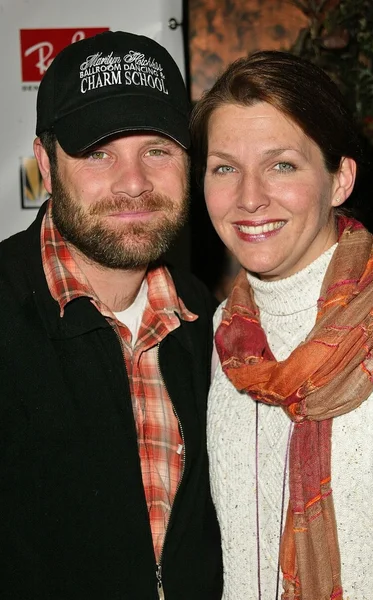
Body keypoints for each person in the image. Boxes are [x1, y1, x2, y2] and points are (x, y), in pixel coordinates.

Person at [0, 31, 223, 599]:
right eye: (98, 152)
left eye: (157, 150)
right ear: (45, 167)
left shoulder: (212, 322)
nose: (134, 183)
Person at [190, 50, 373, 600]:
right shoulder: (222, 335)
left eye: (282, 164)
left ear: (340, 180)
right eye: (224, 168)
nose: (250, 197)